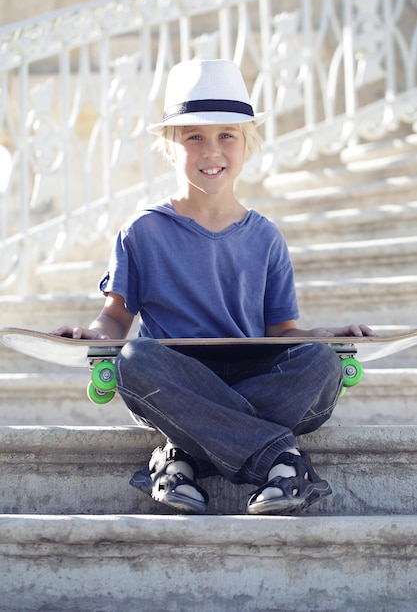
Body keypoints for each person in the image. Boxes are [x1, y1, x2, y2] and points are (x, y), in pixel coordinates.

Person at [52, 59, 376, 516]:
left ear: (247, 144)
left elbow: (281, 331)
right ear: (169, 147)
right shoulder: (141, 231)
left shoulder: (265, 236)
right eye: (194, 137)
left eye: (227, 135)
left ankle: (182, 452)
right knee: (133, 361)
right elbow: (116, 317)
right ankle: (280, 461)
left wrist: (323, 337)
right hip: (174, 374)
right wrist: (96, 335)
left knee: (320, 365)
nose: (212, 150)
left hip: (250, 375)